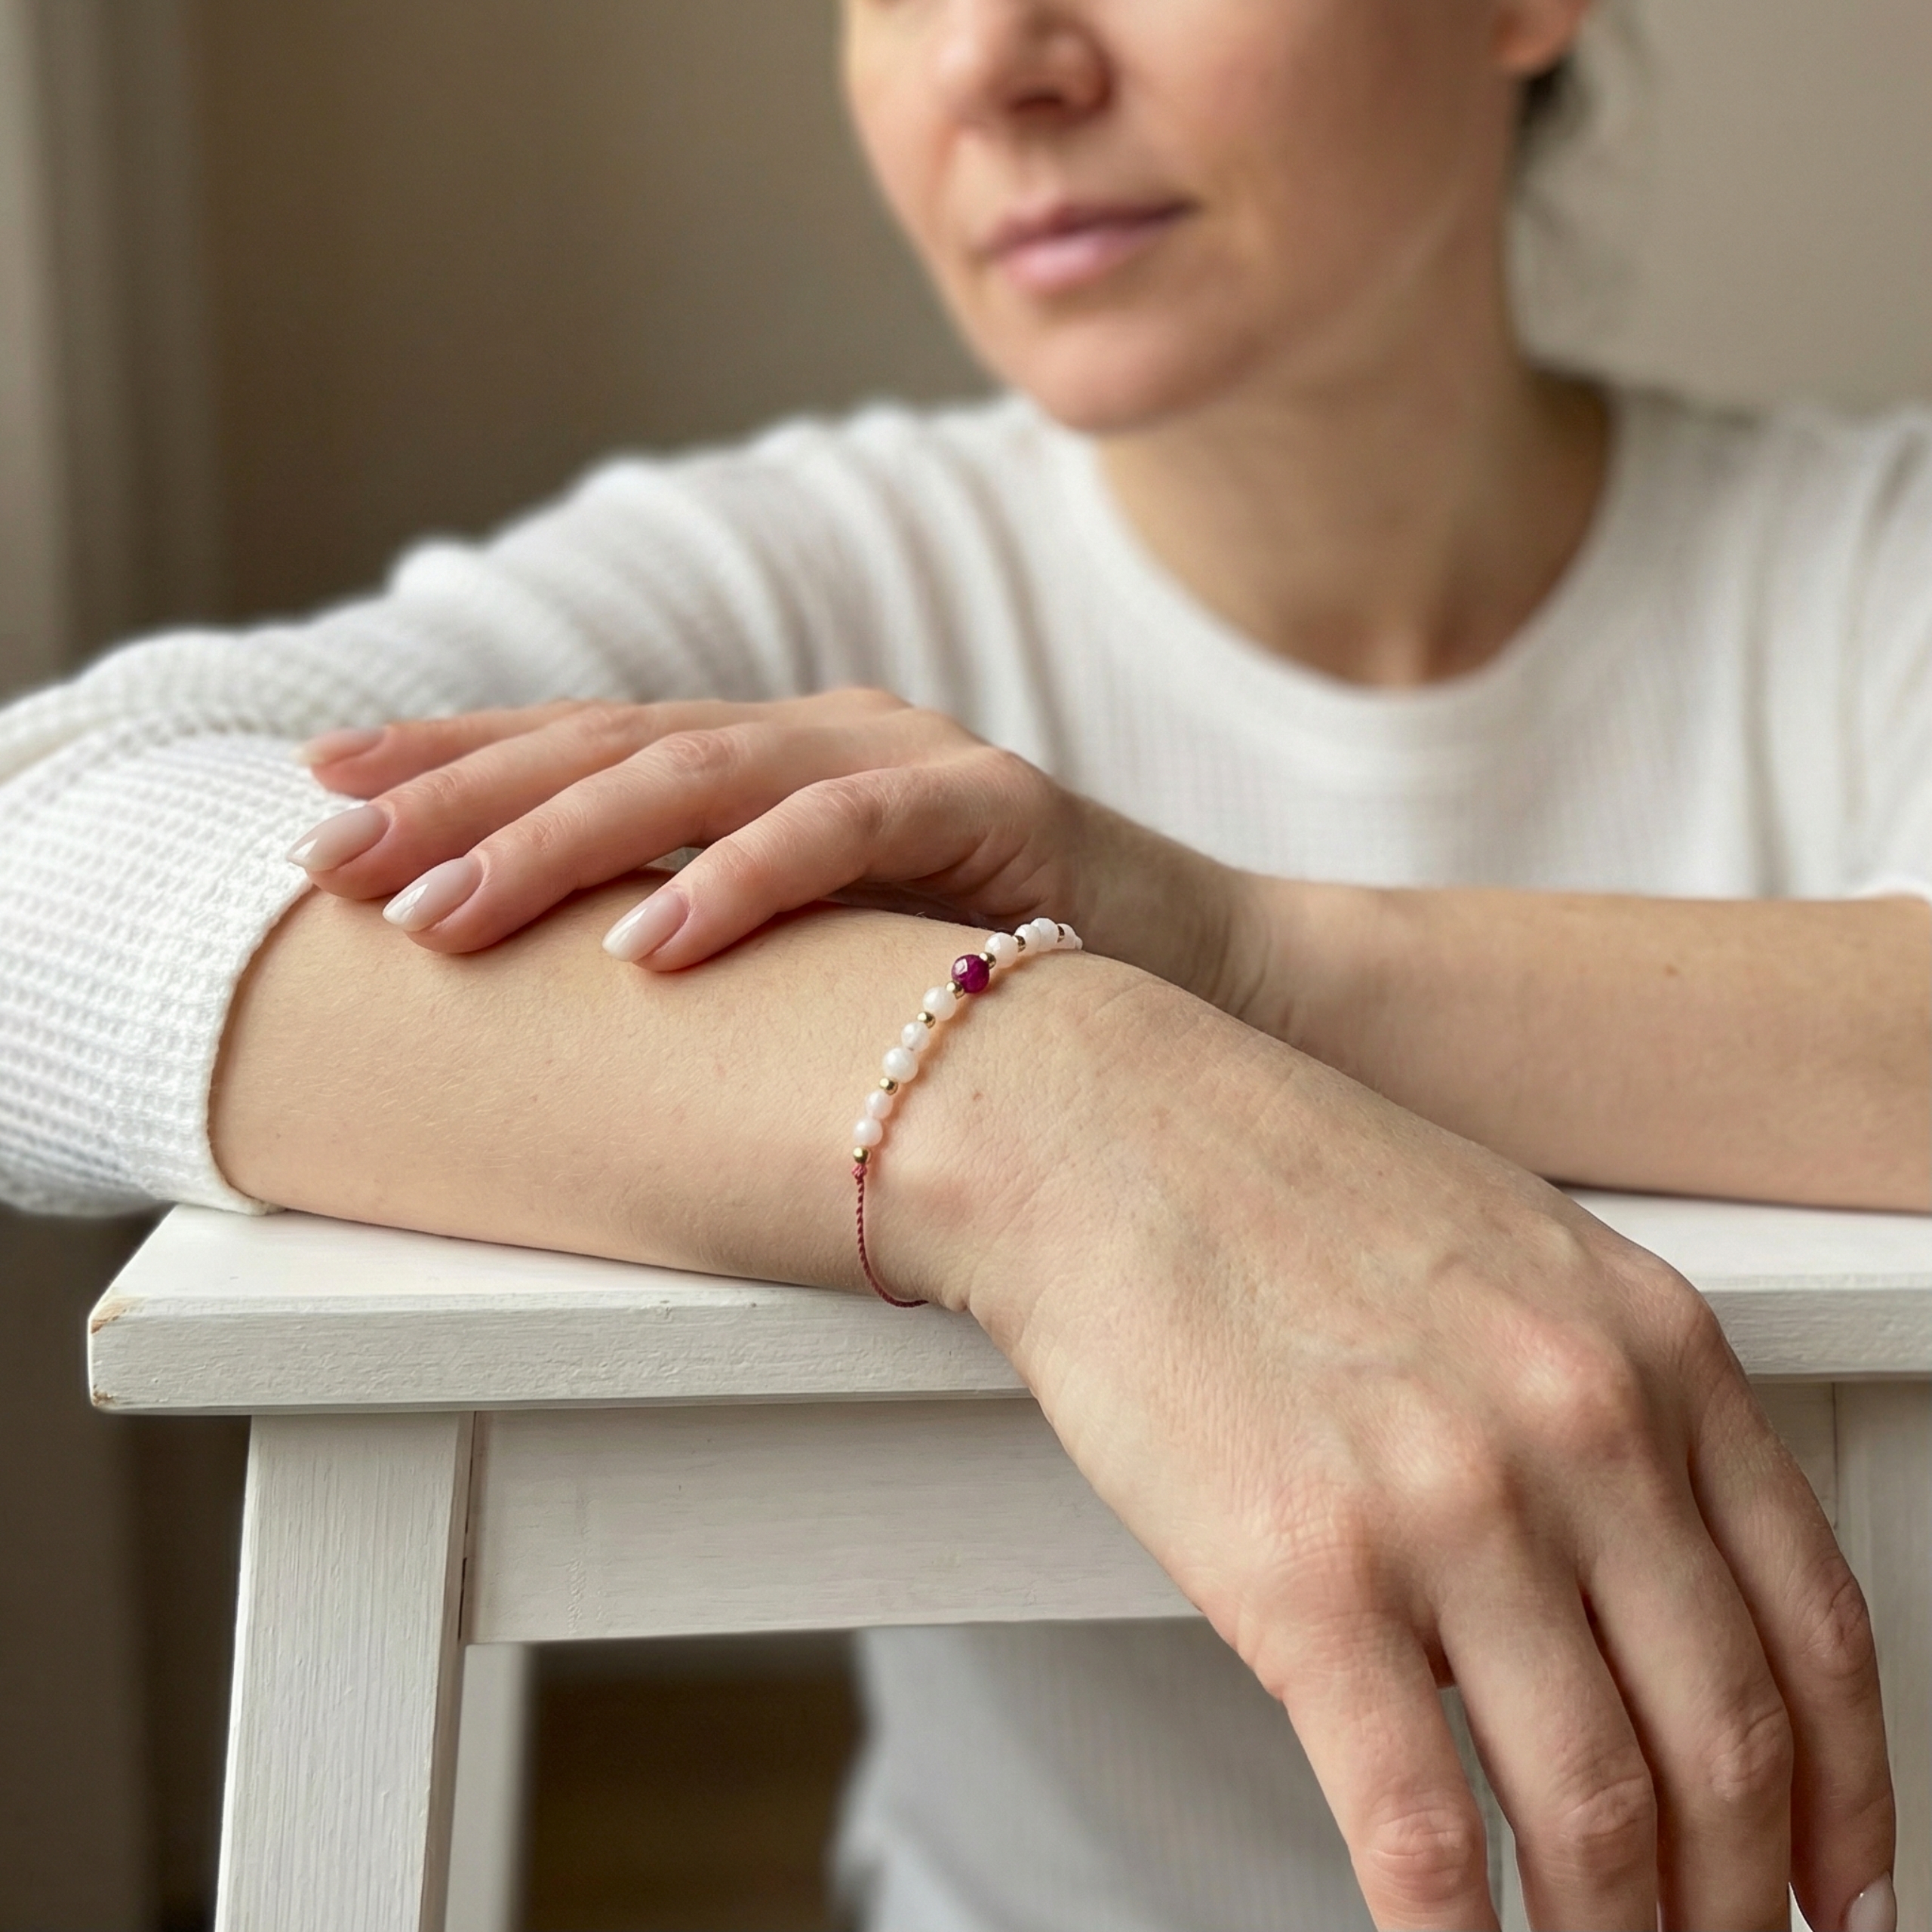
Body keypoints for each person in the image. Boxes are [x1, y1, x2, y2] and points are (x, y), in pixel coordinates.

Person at [1, 0, 1924, 1925]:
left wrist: (1238, 954)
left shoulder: (1868, 568)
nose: (988, 64)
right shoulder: (807, 584)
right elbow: (42, 856)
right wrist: (1037, 1094)